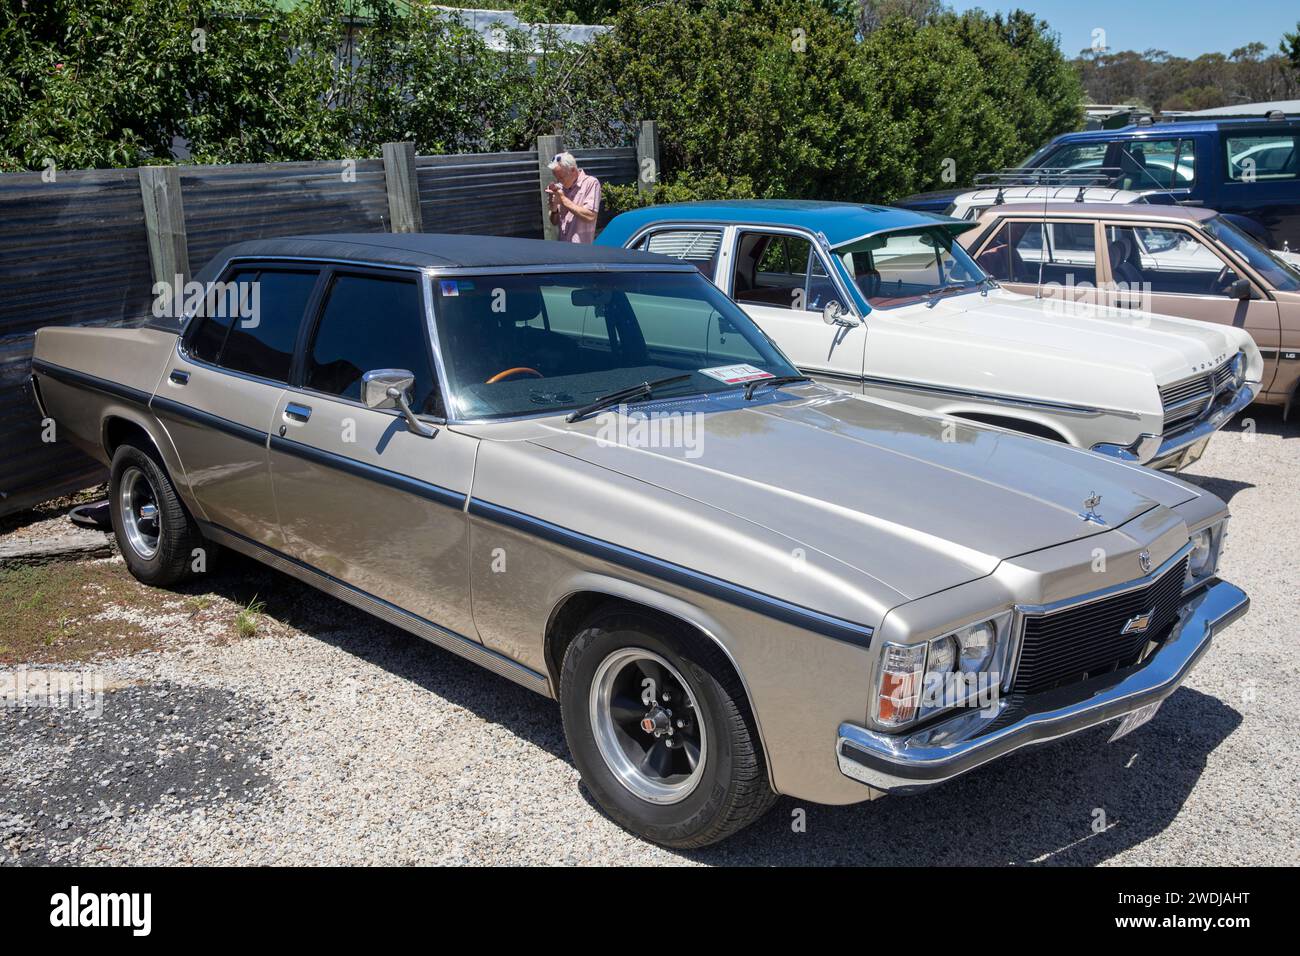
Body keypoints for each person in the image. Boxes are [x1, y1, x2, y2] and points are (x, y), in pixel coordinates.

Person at [546, 152, 601, 243]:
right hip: (563, 249)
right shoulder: (560, 187)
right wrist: (554, 208)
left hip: (581, 252)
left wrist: (563, 199)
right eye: (556, 178)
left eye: (561, 177)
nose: (559, 181)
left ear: (573, 170)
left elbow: (590, 216)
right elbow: (554, 222)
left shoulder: (591, 183)